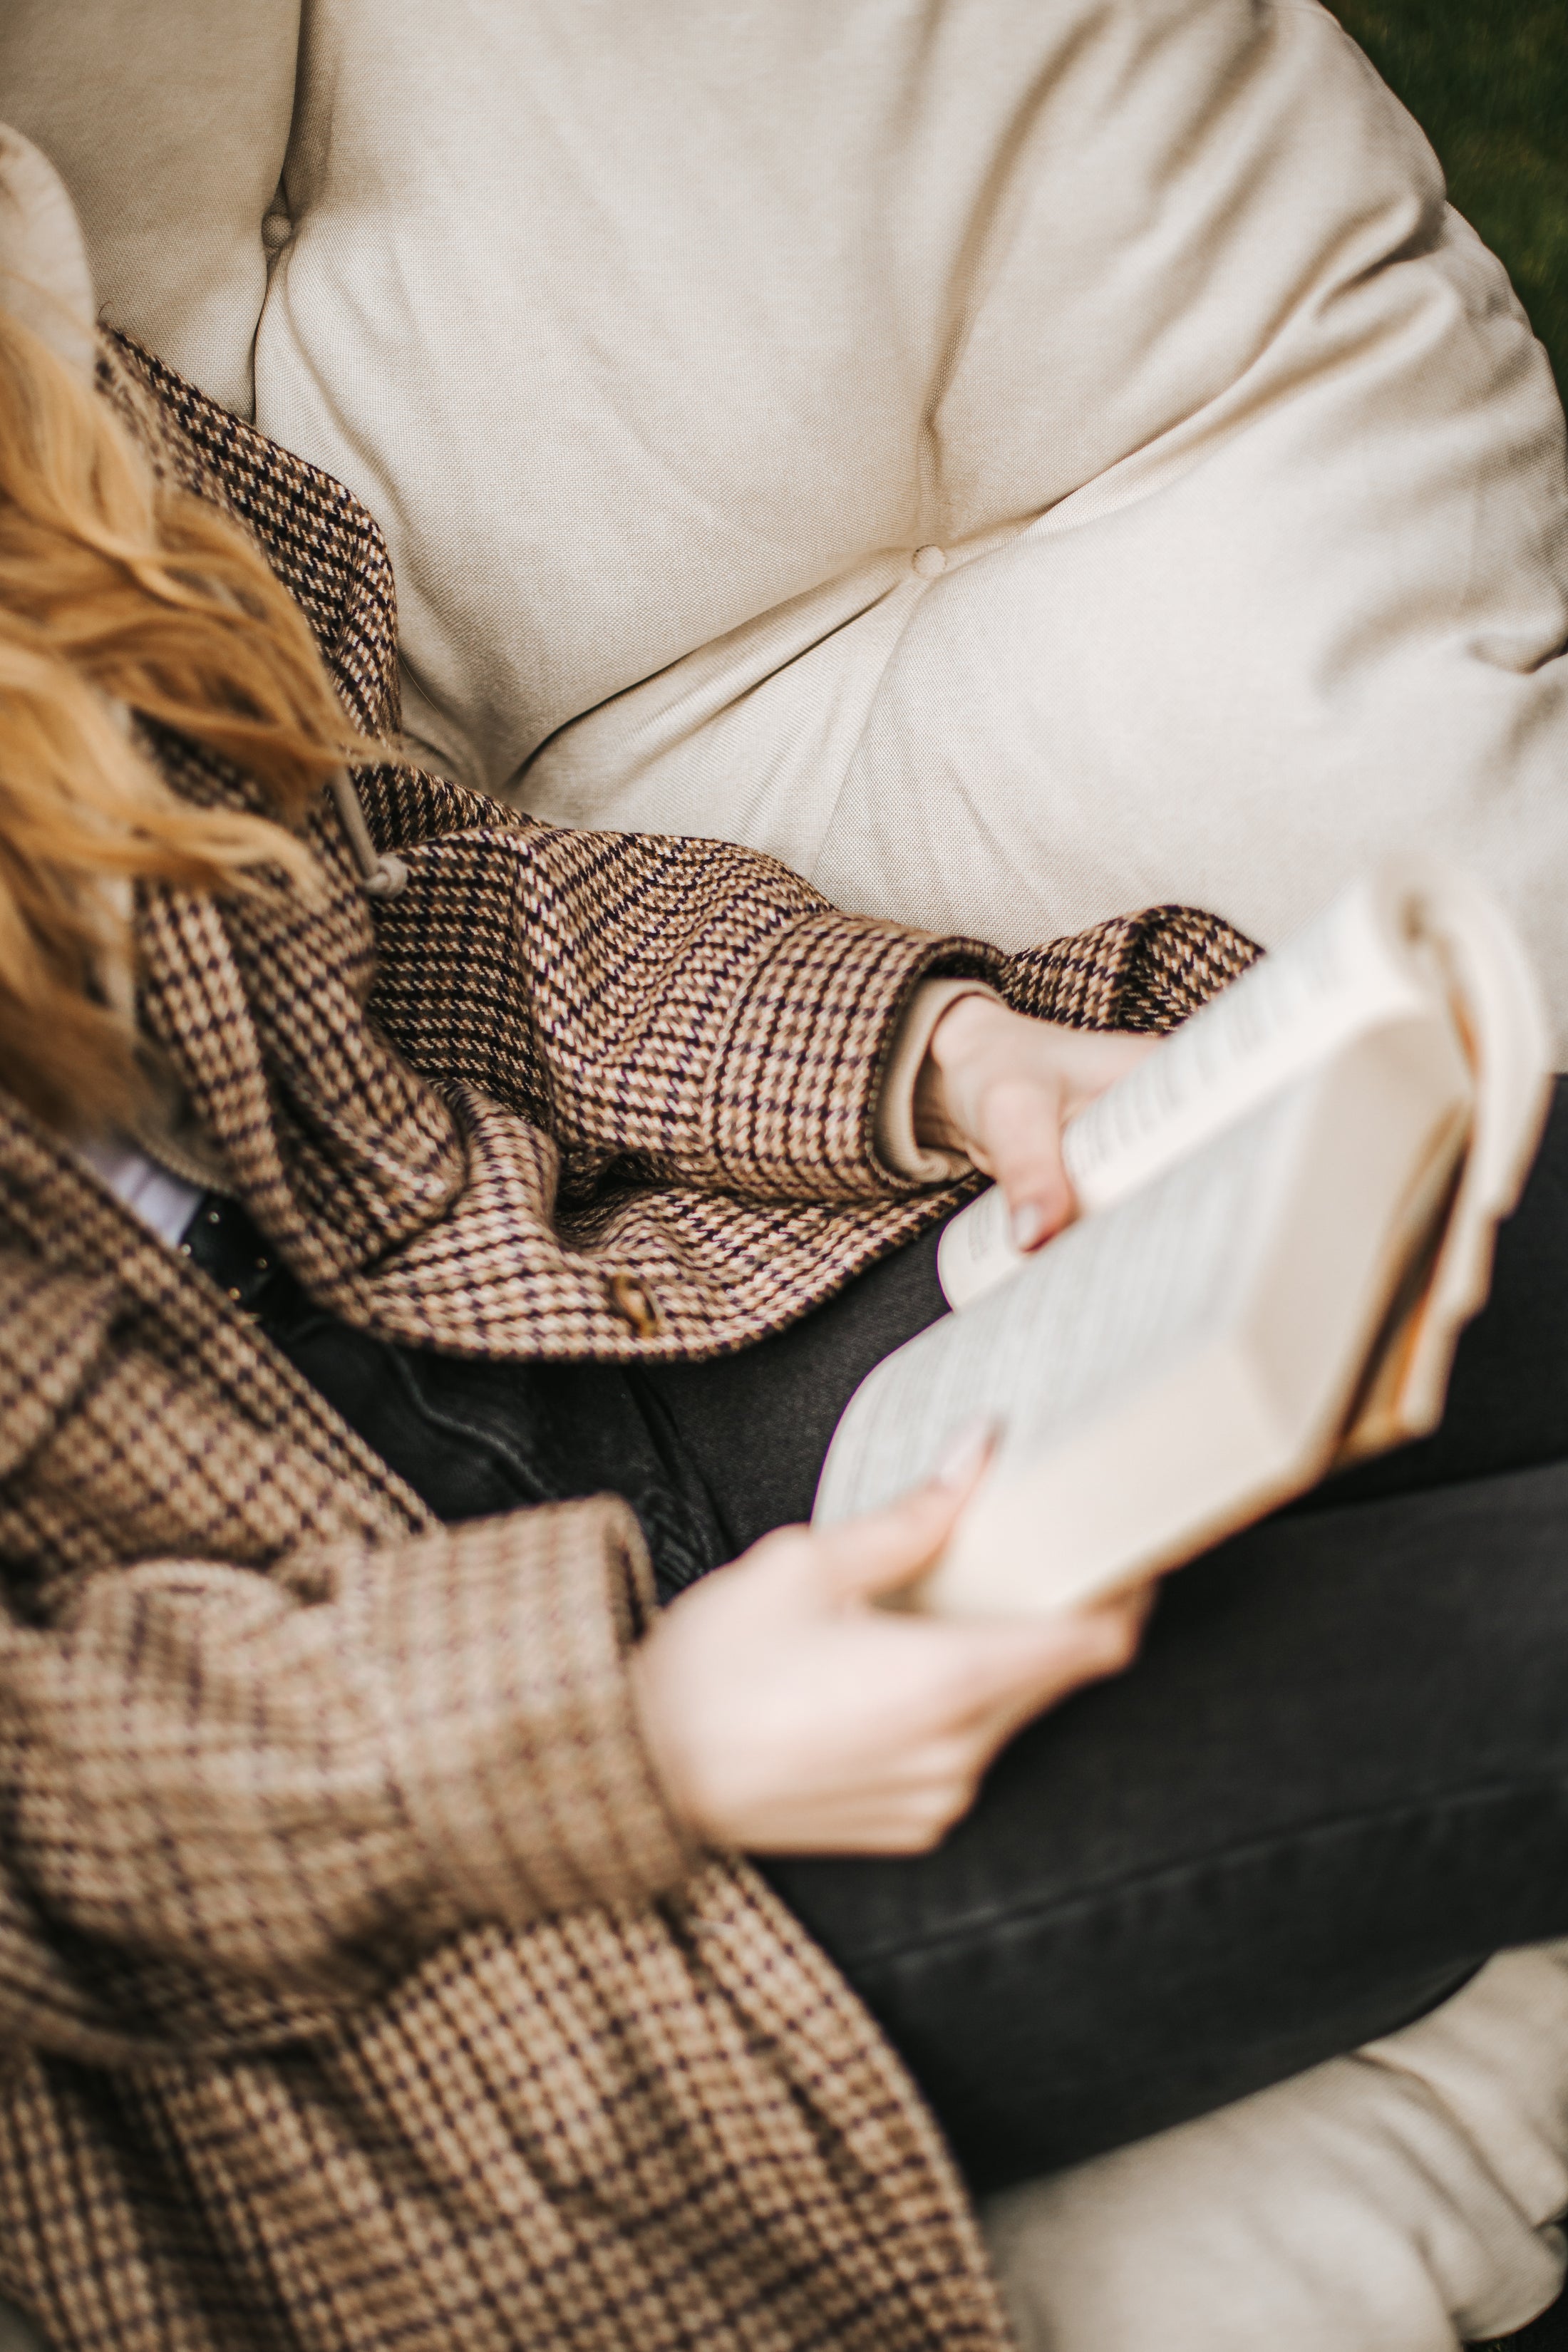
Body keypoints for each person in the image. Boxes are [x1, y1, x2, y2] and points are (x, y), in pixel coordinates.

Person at [4, 285, 1568, 2352]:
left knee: (1481, 1180)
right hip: (349, 1907)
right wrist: (619, 1733)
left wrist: (945, 1048)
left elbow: (395, 893)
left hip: (569, 1329)